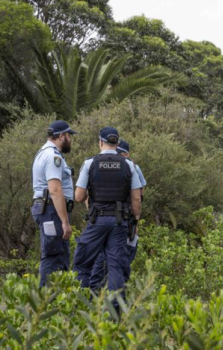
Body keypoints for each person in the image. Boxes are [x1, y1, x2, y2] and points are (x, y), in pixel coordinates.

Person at [72, 127, 142, 301]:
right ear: (117, 144)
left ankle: (82, 306)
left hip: (97, 220)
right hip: (120, 222)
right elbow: (136, 199)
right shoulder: (129, 164)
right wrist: (135, 220)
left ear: (100, 142)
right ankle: (115, 313)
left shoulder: (90, 163)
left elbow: (79, 197)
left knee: (83, 263)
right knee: (116, 267)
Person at [89, 140, 146, 289]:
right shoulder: (128, 167)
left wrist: (135, 221)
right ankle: (106, 298)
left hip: (122, 220)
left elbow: (139, 197)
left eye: (120, 153)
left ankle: (110, 297)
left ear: (127, 154)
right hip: (117, 220)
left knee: (120, 262)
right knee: (107, 262)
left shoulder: (132, 167)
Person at [31, 120, 77, 287]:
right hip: (51, 210)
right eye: (69, 136)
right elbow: (55, 190)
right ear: (61, 136)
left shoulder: (43, 153)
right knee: (53, 256)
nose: (70, 139)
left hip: (48, 209)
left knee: (59, 255)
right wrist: (65, 221)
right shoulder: (53, 156)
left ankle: (57, 302)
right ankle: (45, 304)